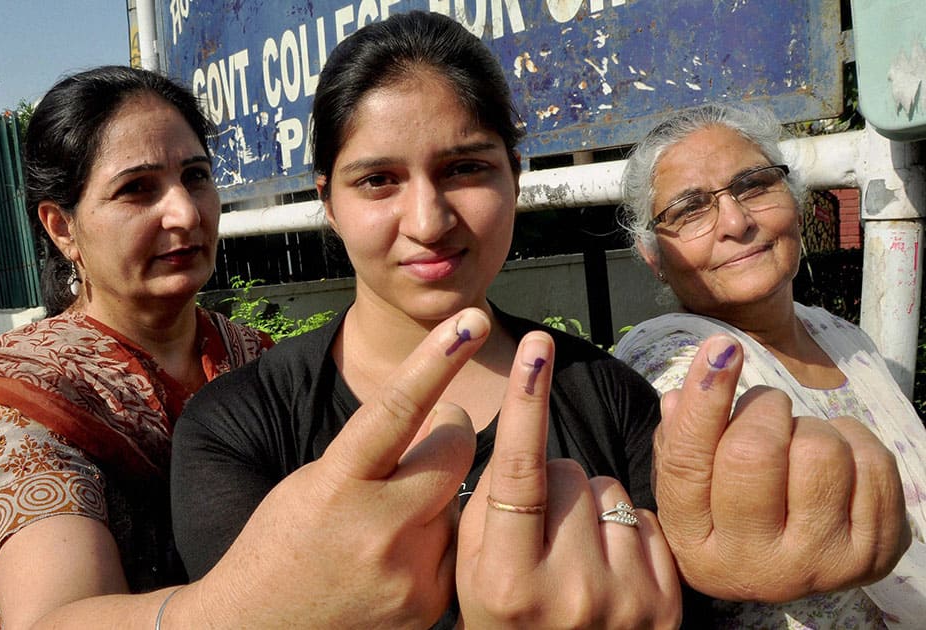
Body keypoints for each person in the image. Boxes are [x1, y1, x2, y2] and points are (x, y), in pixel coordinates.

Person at [171, 12, 909, 629]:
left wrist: (746, 559)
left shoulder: (610, 393)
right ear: (328, 201)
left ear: (514, 177)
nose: (427, 220)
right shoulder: (236, 427)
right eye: (378, 181)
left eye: (465, 168)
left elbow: (701, 575)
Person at [0, 65, 274, 629]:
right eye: (137, 189)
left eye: (196, 176)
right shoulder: (21, 401)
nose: (185, 213)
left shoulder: (255, 359)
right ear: (62, 228)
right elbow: (61, 617)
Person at [614, 102, 926, 628]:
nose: (736, 222)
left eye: (755, 185)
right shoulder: (671, 361)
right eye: (689, 210)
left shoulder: (844, 337)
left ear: (796, 202)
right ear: (654, 258)